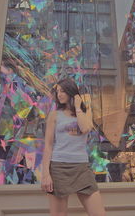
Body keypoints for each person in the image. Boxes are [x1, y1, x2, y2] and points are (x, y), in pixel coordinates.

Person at [41, 78, 106, 216]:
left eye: (63, 91)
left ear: (72, 92)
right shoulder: (54, 115)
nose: (59, 94)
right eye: (58, 91)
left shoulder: (85, 112)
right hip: (58, 167)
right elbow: (48, 146)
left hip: (81, 168)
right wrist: (46, 174)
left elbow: (85, 128)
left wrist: (78, 106)